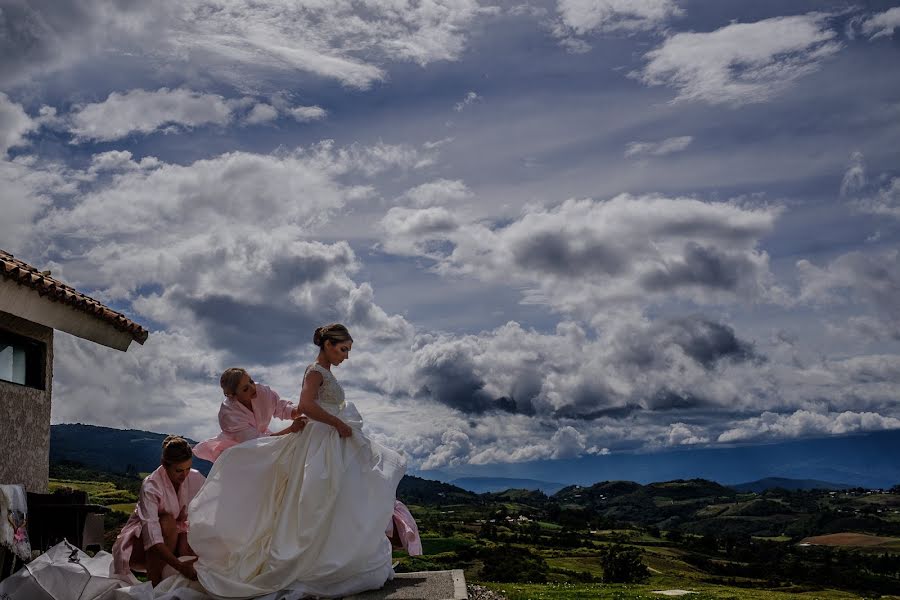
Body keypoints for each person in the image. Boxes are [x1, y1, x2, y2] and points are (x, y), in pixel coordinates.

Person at [186, 324, 408, 598]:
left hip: (311, 435)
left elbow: (287, 406)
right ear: (327, 345)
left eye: (252, 382)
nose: (253, 389)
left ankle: (342, 552)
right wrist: (331, 423)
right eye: (343, 349)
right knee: (304, 494)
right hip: (250, 445)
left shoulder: (268, 389)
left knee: (338, 493)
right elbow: (266, 430)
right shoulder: (233, 412)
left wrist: (293, 416)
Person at [111, 436, 206, 586]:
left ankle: (176, 585)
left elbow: (211, 506)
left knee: (194, 536)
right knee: (167, 522)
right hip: (142, 545)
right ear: (164, 464)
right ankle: (154, 587)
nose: (185, 475)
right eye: (179, 470)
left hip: (176, 537)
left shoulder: (196, 477)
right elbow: (152, 538)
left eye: (188, 468)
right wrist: (180, 567)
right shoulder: (151, 486)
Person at [192, 368, 307, 462]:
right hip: (239, 450)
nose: (253, 388)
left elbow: (280, 407)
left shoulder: (261, 391)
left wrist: (300, 409)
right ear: (232, 395)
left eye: (251, 381)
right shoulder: (228, 415)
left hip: (265, 440)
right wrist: (291, 429)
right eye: (245, 388)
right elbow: (255, 442)